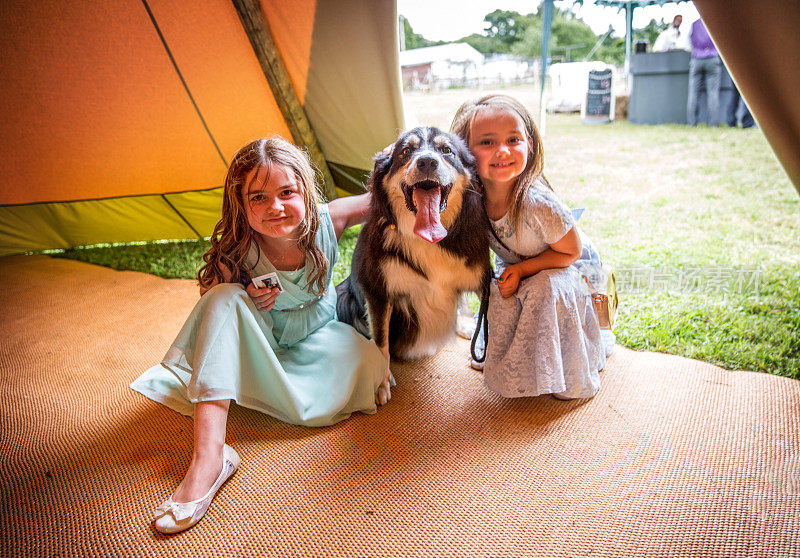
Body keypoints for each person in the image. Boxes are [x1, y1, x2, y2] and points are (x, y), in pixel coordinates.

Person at [130, 137, 387, 534]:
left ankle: (270, 390)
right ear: (241, 204)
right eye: (259, 198)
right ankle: (209, 459)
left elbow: (383, 197)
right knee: (224, 298)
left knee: (368, 366)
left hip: (318, 336)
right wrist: (246, 293)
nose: (276, 207)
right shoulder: (240, 248)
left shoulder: (329, 221)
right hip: (262, 340)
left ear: (305, 189)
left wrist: (402, 156)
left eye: (287, 192)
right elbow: (212, 313)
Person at [450, 95, 614, 401]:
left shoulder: (537, 203)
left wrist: (522, 269)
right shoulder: (472, 199)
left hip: (570, 270)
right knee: (500, 289)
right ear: (464, 152)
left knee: (544, 289)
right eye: (487, 142)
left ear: (530, 144)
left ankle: (567, 372)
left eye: (513, 139)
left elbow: (572, 252)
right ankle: (519, 361)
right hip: (523, 262)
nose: (502, 150)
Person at [686, 17, 722, 126]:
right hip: (712, 58)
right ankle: (713, 123)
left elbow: (688, 43)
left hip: (696, 59)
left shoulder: (693, 24)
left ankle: (692, 123)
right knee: (713, 93)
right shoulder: (715, 23)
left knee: (693, 93)